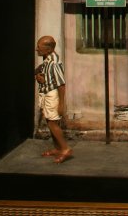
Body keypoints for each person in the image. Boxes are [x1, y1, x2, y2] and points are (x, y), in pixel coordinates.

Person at [35, 35, 72, 163]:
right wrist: (39, 76)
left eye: (39, 47)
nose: (36, 49)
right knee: (49, 121)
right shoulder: (47, 59)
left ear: (49, 48)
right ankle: (57, 148)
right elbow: (43, 72)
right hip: (45, 93)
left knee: (52, 123)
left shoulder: (54, 62)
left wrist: (61, 103)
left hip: (52, 95)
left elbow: (61, 84)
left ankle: (65, 149)